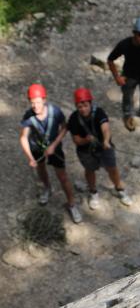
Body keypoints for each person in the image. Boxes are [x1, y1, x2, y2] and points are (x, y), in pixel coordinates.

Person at [19, 84, 82, 224]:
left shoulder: (55, 112)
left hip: (54, 147)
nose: (35, 106)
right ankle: (47, 188)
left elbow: (65, 127)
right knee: (41, 168)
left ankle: (72, 204)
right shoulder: (29, 116)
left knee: (62, 176)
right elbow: (23, 137)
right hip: (37, 146)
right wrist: (30, 158)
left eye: (38, 102)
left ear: (44, 100)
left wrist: (54, 145)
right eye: (32, 103)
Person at [67, 88, 133, 210]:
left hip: (103, 146)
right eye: (80, 106)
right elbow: (76, 140)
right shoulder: (74, 119)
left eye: (85, 105)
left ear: (90, 103)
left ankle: (120, 189)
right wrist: (86, 140)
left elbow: (105, 128)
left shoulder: (99, 113)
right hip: (85, 150)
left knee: (112, 168)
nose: (83, 109)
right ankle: (93, 192)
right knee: (90, 170)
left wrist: (106, 140)